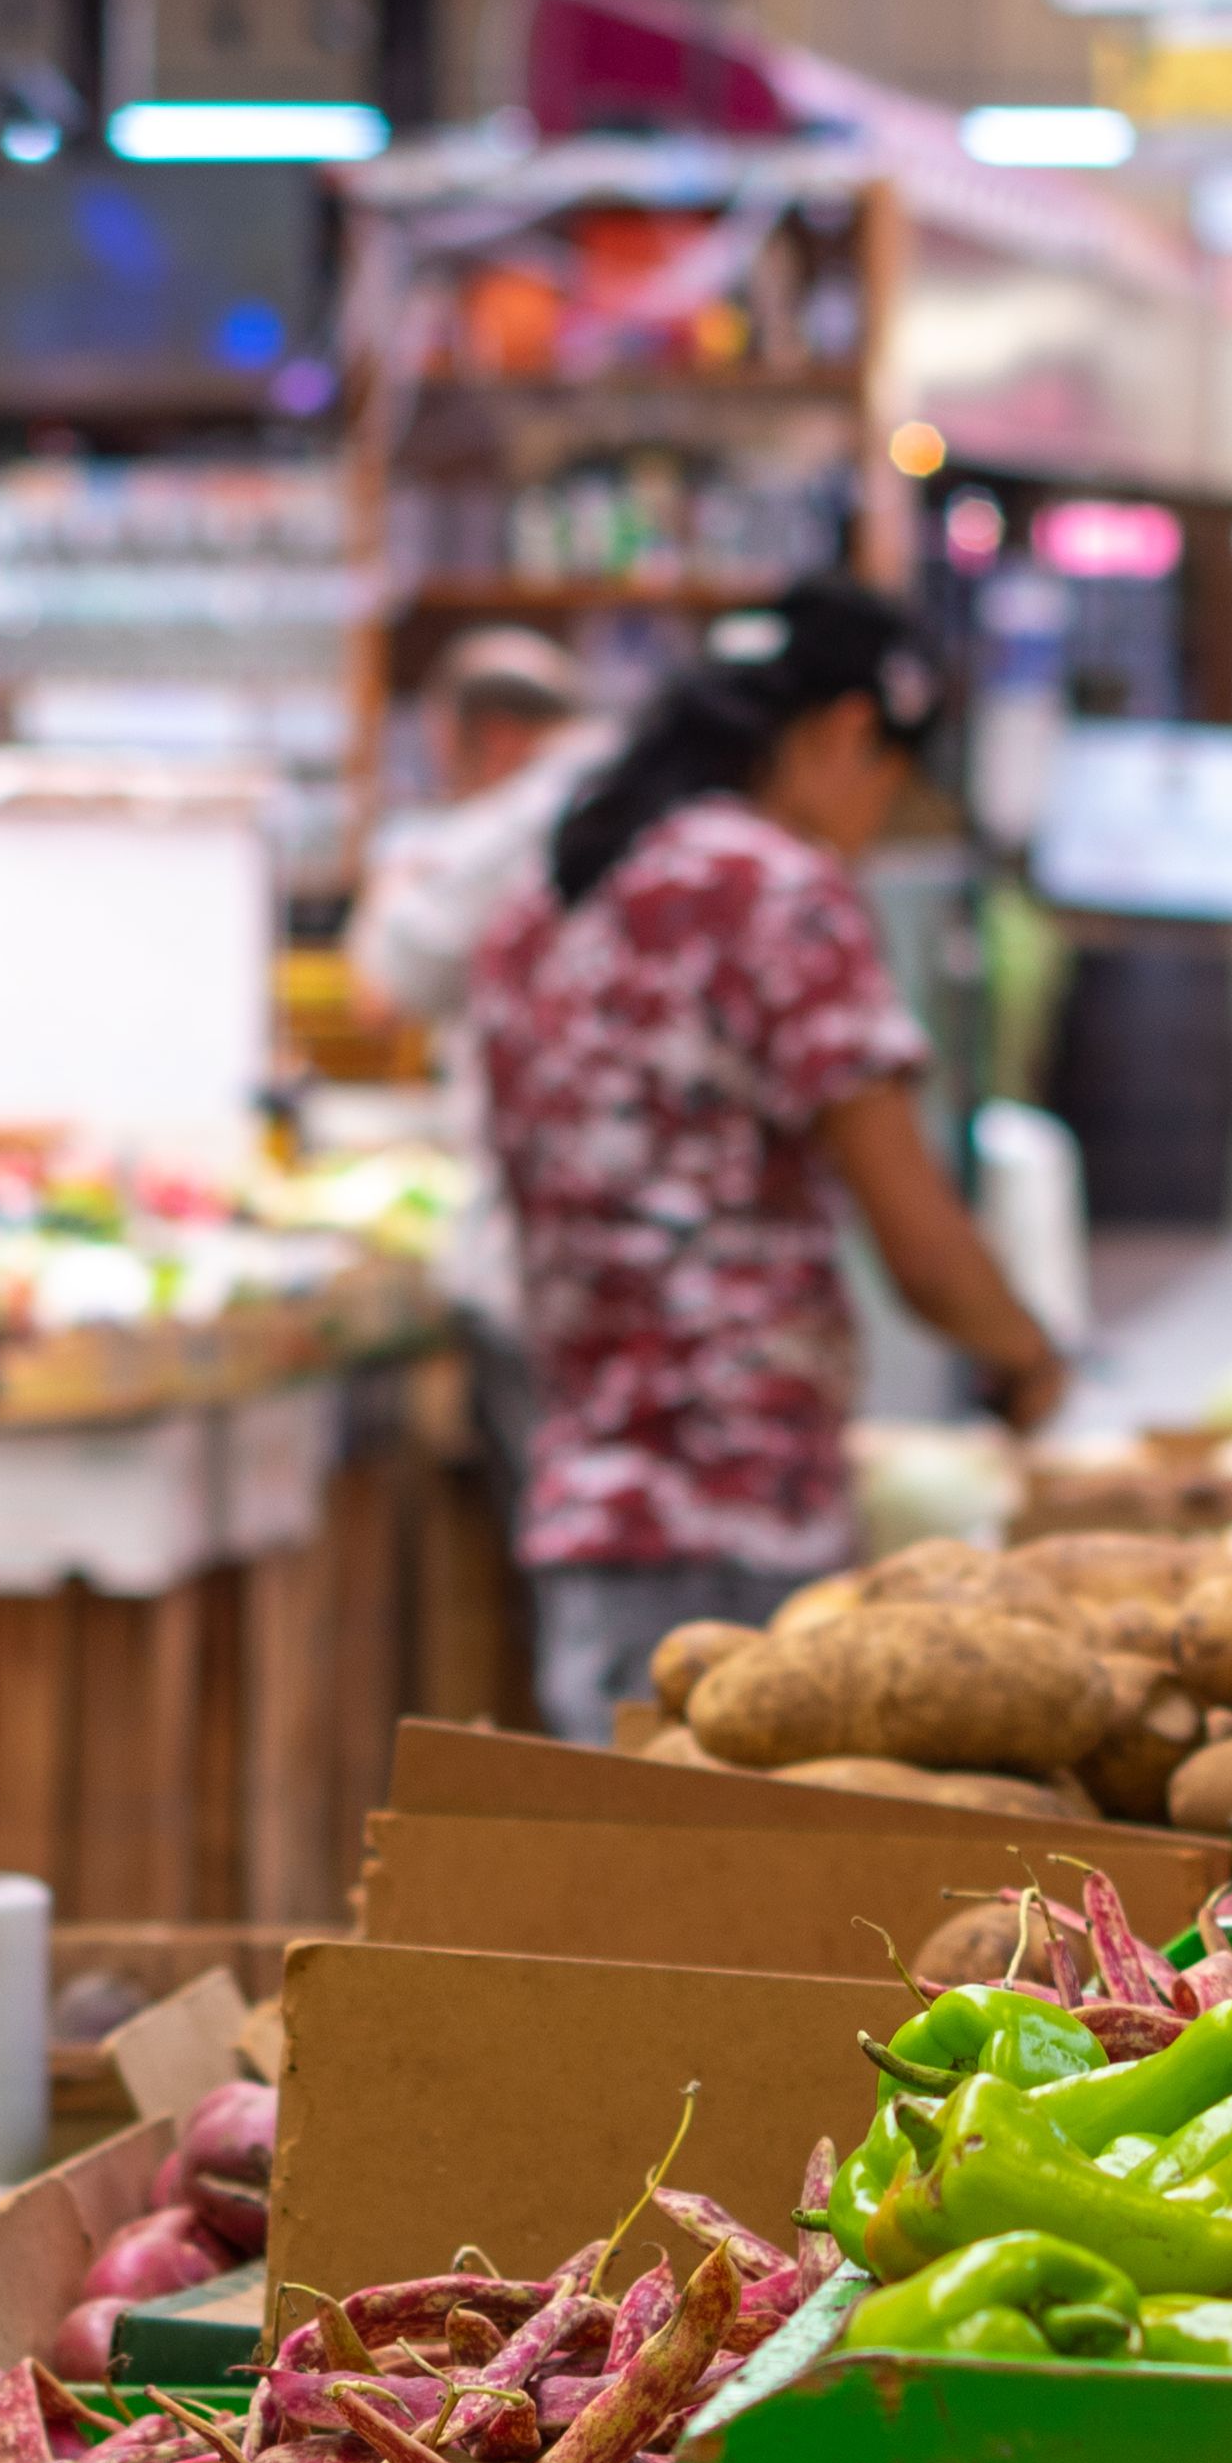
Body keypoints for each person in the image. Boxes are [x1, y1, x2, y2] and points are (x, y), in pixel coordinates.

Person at [466, 577, 1068, 1744]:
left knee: (606, 1840)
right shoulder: (772, 889)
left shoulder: (548, 894)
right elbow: (921, 1243)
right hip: (740, 1514)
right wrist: (1028, 1357)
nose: (879, 821)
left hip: (586, 1509)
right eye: (891, 780)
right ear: (848, 730)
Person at [346, 628, 606, 1038]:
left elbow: (380, 1000)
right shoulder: (619, 788)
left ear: (497, 736)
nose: (441, 772)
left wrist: (394, 878)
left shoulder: (525, 813)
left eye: (441, 746)